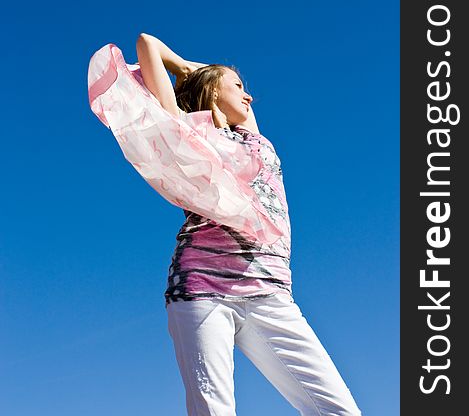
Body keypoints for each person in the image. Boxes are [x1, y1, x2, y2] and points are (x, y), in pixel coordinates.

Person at [87, 33, 362, 416]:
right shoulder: (185, 132)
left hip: (270, 292)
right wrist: (189, 71)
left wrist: (216, 78)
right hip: (202, 291)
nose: (249, 96)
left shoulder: (253, 137)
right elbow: (147, 43)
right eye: (238, 86)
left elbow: (224, 92)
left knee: (340, 411)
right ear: (214, 92)